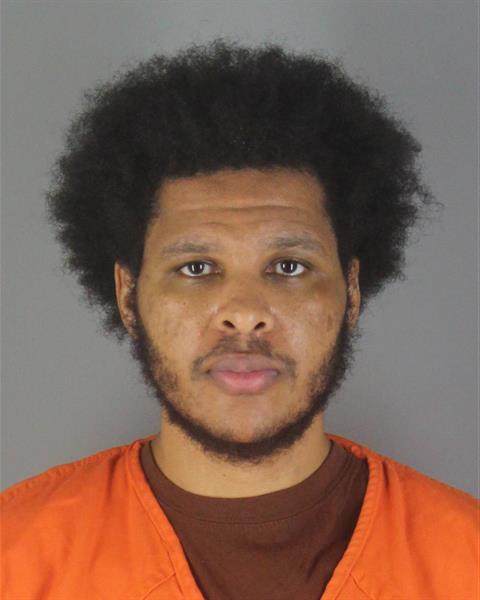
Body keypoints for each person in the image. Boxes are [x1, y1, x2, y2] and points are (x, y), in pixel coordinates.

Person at [1, 39, 478, 600]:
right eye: (196, 267)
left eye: (288, 266)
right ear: (128, 296)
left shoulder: (467, 559)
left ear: (351, 292)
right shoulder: (15, 558)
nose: (245, 314)